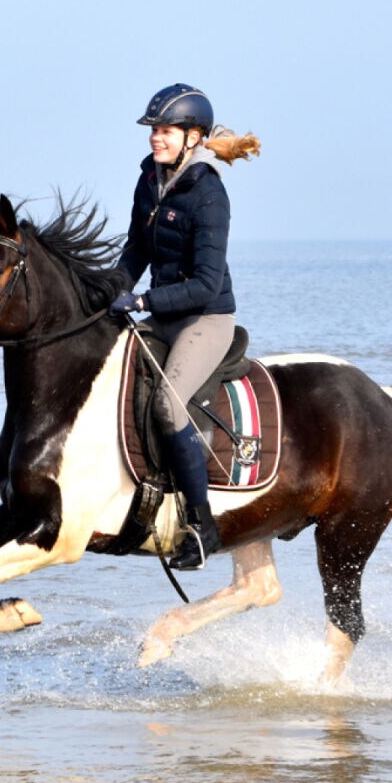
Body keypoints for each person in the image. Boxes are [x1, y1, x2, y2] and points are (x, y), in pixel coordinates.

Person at [109, 83, 260, 570]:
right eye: (154, 129)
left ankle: (201, 527)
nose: (156, 138)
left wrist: (143, 298)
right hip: (163, 313)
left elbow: (204, 283)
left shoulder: (209, 194)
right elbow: (137, 249)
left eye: (166, 130)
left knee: (169, 406)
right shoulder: (149, 179)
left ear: (193, 137)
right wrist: (109, 290)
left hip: (205, 317)